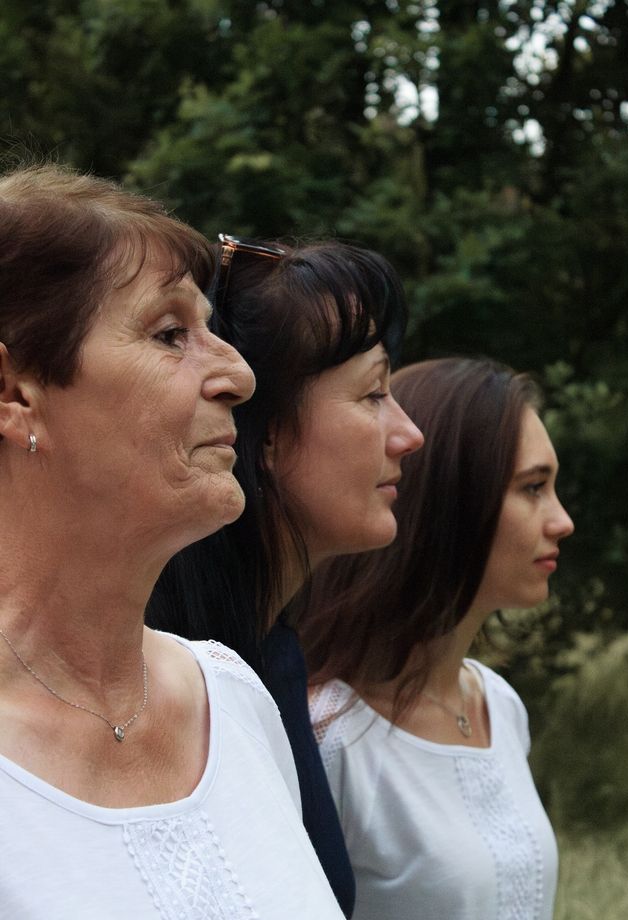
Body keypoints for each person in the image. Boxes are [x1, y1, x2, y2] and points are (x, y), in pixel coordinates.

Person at [0, 163, 345, 919]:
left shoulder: (231, 698)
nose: (239, 375)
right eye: (169, 334)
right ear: (15, 391)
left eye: (212, 331)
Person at [147, 235, 424, 917]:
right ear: (264, 434)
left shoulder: (271, 655)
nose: (408, 432)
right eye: (374, 393)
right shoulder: (166, 676)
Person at [302, 356, 575, 920]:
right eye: (532, 488)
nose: (561, 520)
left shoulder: (498, 705)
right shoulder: (331, 735)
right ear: (452, 502)